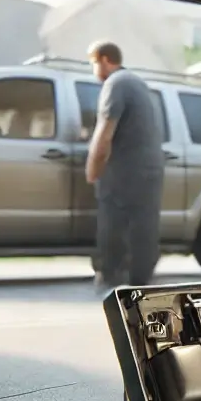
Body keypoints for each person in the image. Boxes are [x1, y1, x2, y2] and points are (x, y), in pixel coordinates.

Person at [85, 41, 165, 292]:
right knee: (144, 225)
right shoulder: (138, 83)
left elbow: (104, 133)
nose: (93, 69)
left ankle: (109, 277)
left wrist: (92, 169)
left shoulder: (115, 84)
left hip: (125, 171)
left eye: (93, 63)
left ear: (105, 60)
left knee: (112, 221)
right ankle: (142, 282)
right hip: (150, 168)